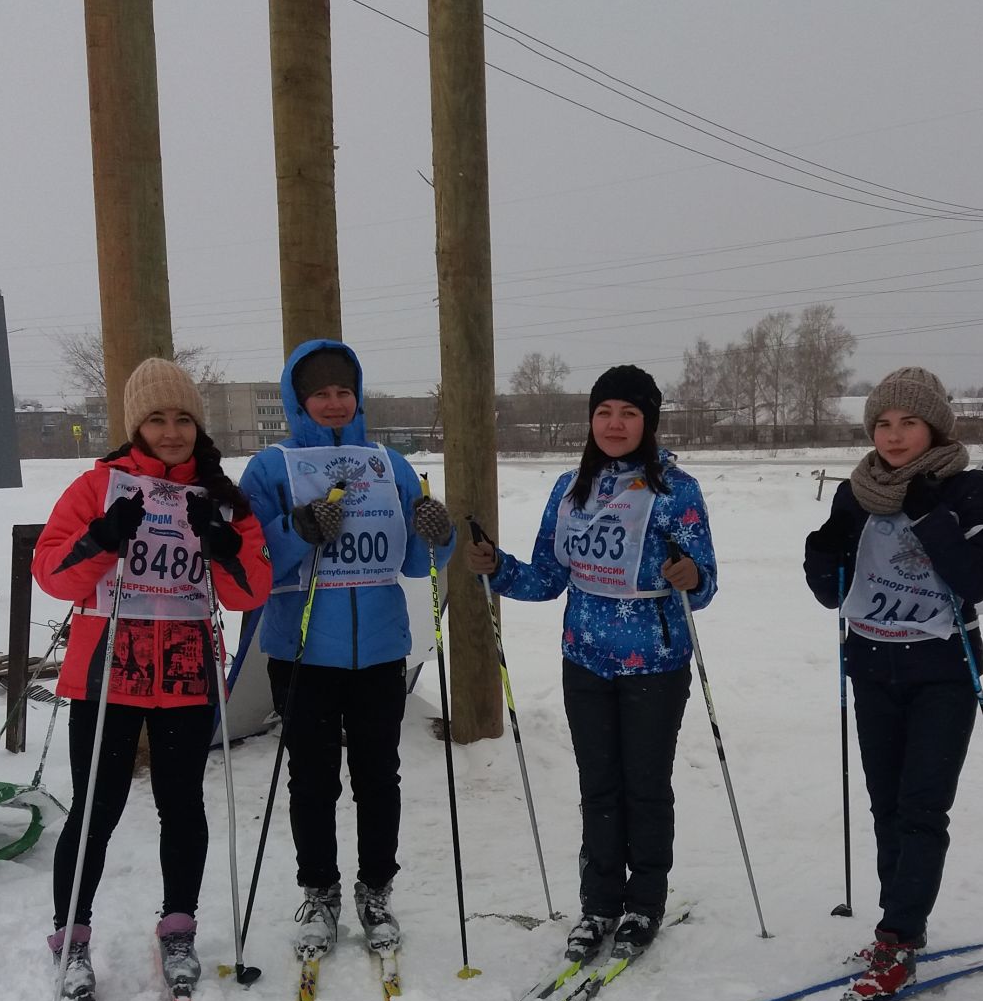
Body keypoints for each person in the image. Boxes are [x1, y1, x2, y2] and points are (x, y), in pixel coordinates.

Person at [33, 356, 272, 1000]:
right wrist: (102, 539)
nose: (172, 432)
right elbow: (51, 573)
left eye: (183, 419)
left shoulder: (223, 499)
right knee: (96, 808)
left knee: (182, 803)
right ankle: (71, 935)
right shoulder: (98, 487)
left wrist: (222, 547)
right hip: (108, 669)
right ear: (136, 426)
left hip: (188, 672)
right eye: (157, 419)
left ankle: (179, 925)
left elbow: (251, 591)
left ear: (198, 425)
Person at [466, 365, 717, 964]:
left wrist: (692, 575)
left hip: (655, 660)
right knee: (598, 786)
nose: (614, 424)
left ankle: (644, 902)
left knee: (645, 787)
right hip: (585, 659)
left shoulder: (676, 490)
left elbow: (703, 584)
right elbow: (547, 578)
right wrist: (496, 566)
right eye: (604, 412)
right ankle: (599, 902)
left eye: (628, 413)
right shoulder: (570, 488)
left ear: (648, 422)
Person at [238, 340, 453, 958]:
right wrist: (297, 530)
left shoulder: (390, 464)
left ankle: (376, 889)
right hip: (303, 648)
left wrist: (441, 534)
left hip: (381, 647)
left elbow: (418, 559)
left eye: (343, 391)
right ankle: (319, 890)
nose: (334, 403)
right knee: (312, 779)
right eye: (320, 393)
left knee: (378, 776)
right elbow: (250, 562)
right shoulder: (270, 468)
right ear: (298, 401)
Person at [802, 367, 983, 1001]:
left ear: (933, 426)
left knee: (921, 807)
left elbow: (980, 585)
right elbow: (833, 589)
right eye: (882, 423)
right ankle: (897, 925)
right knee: (885, 804)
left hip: (943, 669)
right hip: (871, 665)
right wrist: (819, 557)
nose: (893, 435)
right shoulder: (856, 491)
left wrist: (929, 517)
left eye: (907, 422)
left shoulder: (967, 489)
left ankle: (900, 934)